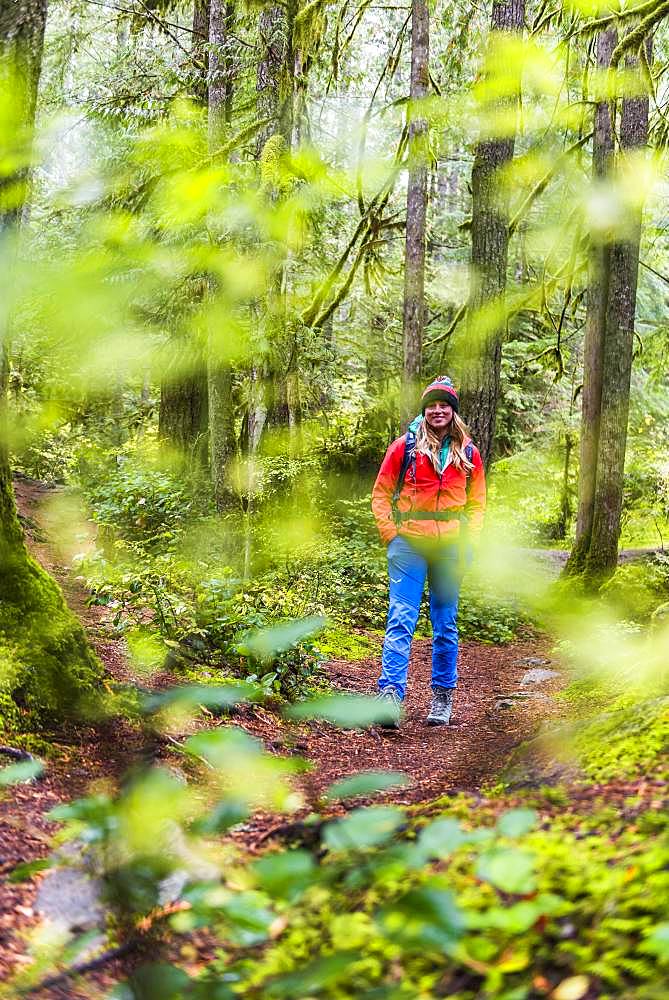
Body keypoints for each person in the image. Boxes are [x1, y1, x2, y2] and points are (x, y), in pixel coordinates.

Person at [371, 376, 486, 728]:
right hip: (409, 543)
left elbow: (478, 504)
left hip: (451, 546)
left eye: (444, 405)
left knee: (445, 624)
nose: (438, 411)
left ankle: (442, 696)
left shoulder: (468, 452)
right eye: (432, 405)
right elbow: (380, 494)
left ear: (453, 412)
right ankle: (390, 695)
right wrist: (391, 534)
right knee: (401, 618)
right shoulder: (403, 448)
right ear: (424, 411)